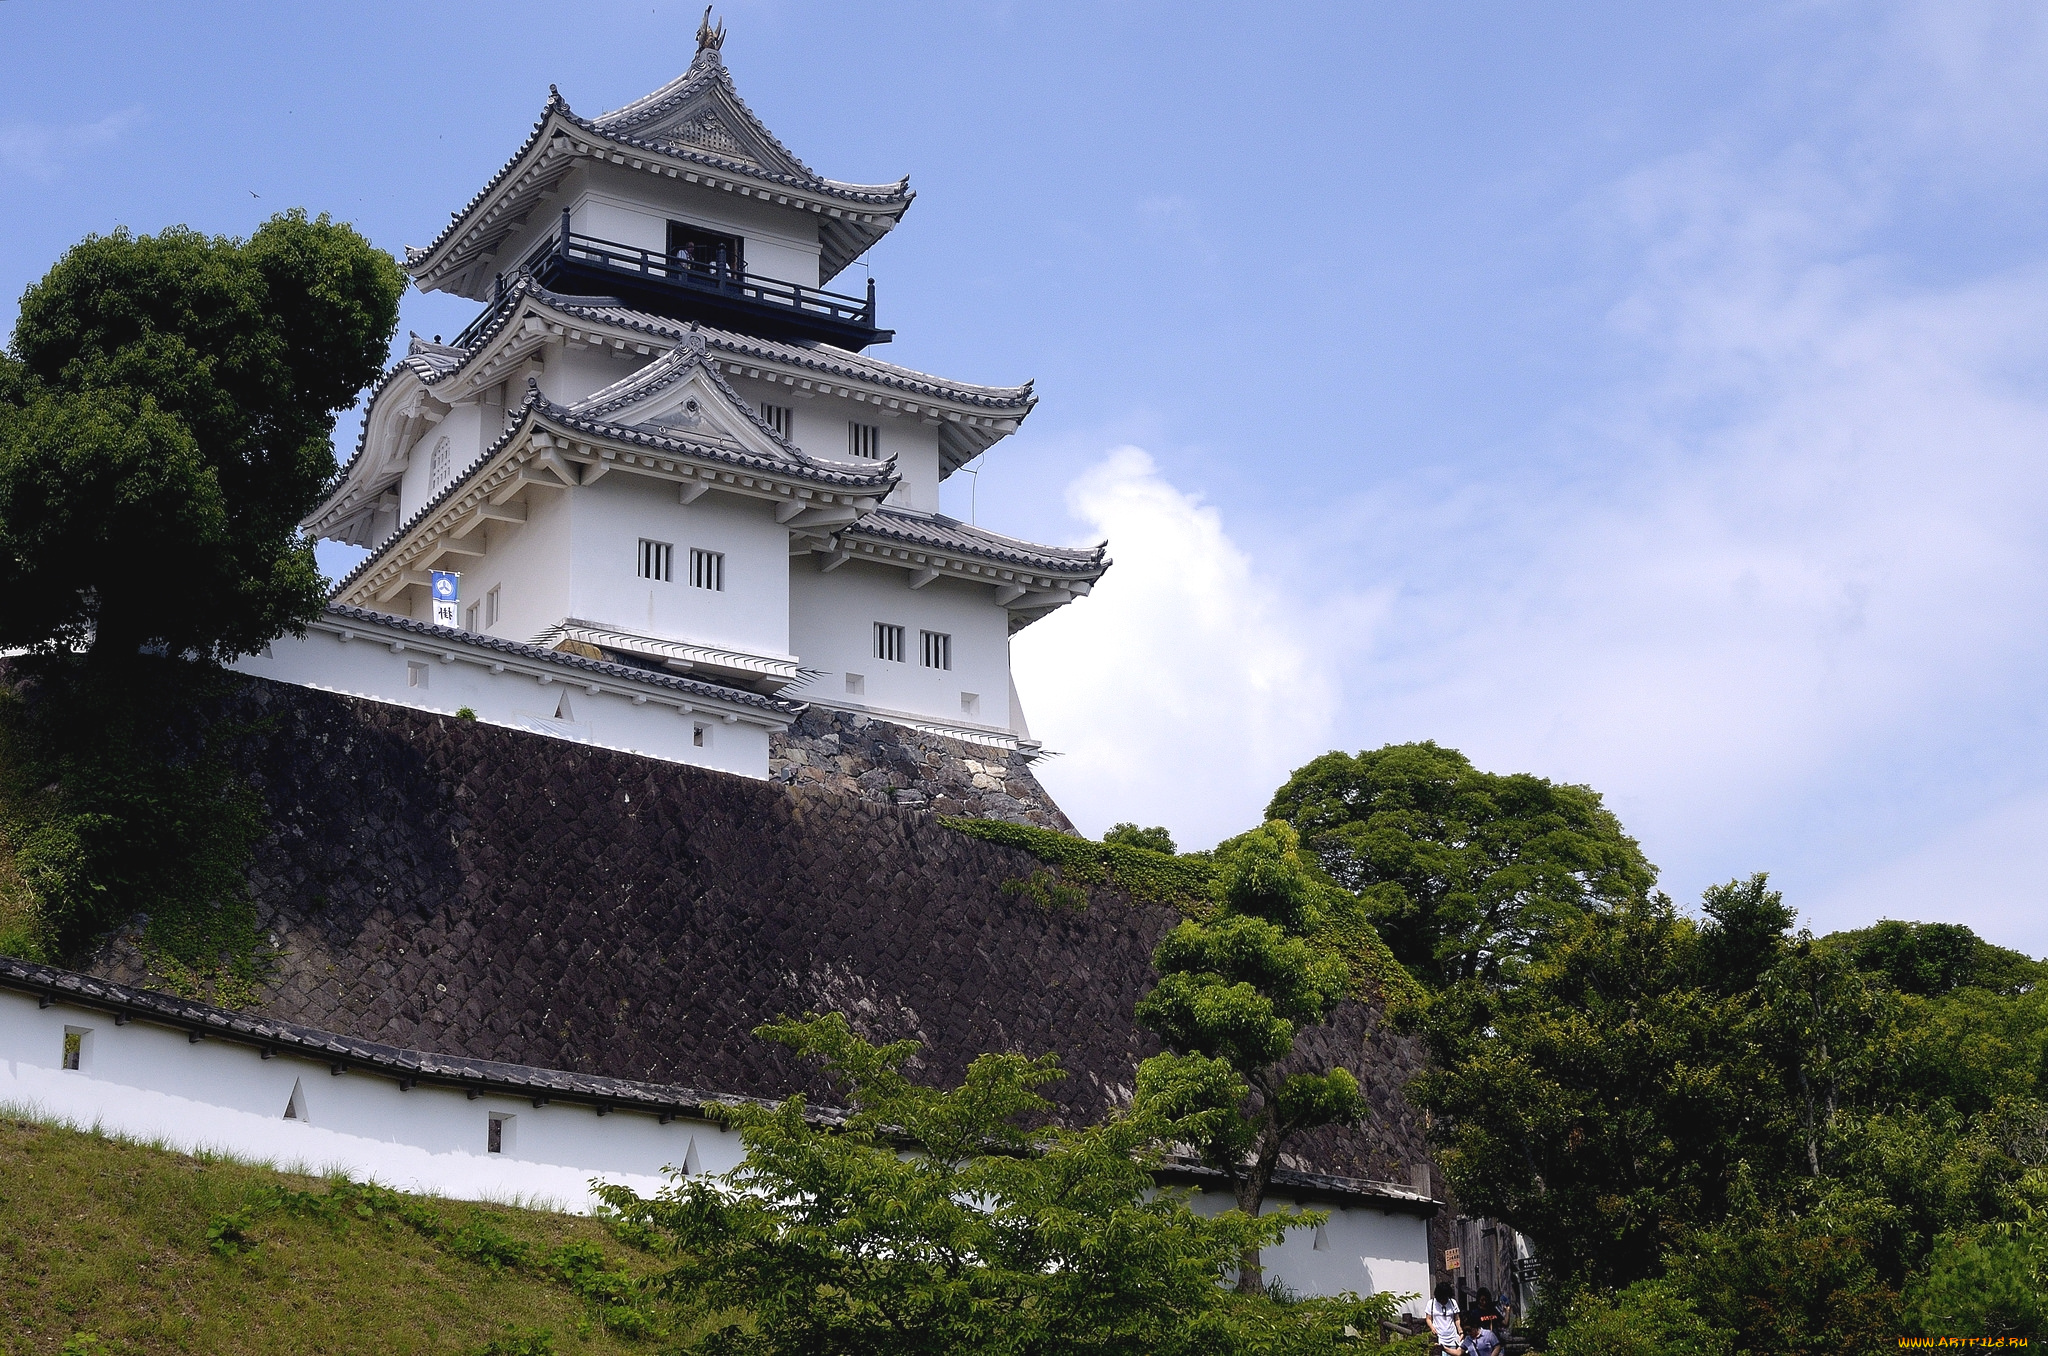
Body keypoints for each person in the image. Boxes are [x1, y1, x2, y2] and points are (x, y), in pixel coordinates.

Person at [1426, 1281, 1461, 1356]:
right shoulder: (1431, 1303)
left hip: (1452, 1337)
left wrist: (1460, 1331)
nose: (1443, 1300)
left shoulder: (1452, 1302)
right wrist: (1432, 1327)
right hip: (1439, 1337)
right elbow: (1428, 1319)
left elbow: (1457, 1319)